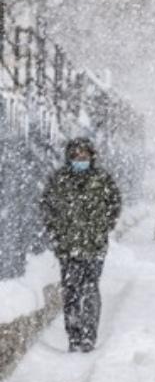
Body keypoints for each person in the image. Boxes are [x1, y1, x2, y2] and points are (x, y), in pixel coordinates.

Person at [39, 137, 122, 353]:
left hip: (94, 247)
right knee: (71, 291)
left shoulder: (102, 180)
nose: (80, 159)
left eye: (84, 155)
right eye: (76, 155)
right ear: (69, 157)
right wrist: (57, 232)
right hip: (68, 248)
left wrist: (103, 227)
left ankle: (88, 336)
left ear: (91, 156)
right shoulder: (59, 180)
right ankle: (74, 336)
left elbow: (114, 205)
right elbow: (47, 208)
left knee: (90, 288)